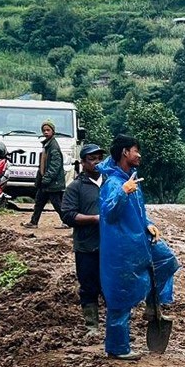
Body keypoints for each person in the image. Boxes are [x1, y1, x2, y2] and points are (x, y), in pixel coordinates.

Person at [97, 135, 179, 360]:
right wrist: (124, 191)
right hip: (122, 247)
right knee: (120, 296)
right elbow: (110, 213)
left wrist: (149, 224)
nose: (139, 155)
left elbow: (138, 213)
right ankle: (118, 347)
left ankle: (153, 303)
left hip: (139, 240)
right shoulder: (114, 184)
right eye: (136, 150)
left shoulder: (131, 180)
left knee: (167, 261)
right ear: (125, 152)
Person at [61, 144, 105, 338]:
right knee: (88, 286)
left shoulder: (110, 182)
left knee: (111, 285)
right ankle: (92, 326)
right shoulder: (75, 187)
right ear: (82, 163)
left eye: (99, 158)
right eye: (91, 159)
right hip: (86, 245)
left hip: (110, 245)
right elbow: (68, 215)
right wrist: (95, 219)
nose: (96, 162)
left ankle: (115, 326)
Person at [23, 120, 67, 228]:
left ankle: (67, 221)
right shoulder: (47, 144)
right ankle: (33, 222)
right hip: (46, 181)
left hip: (51, 182)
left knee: (57, 203)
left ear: (53, 131)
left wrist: (47, 178)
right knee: (39, 202)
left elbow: (55, 166)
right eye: (44, 130)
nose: (46, 132)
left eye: (48, 130)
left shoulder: (53, 146)